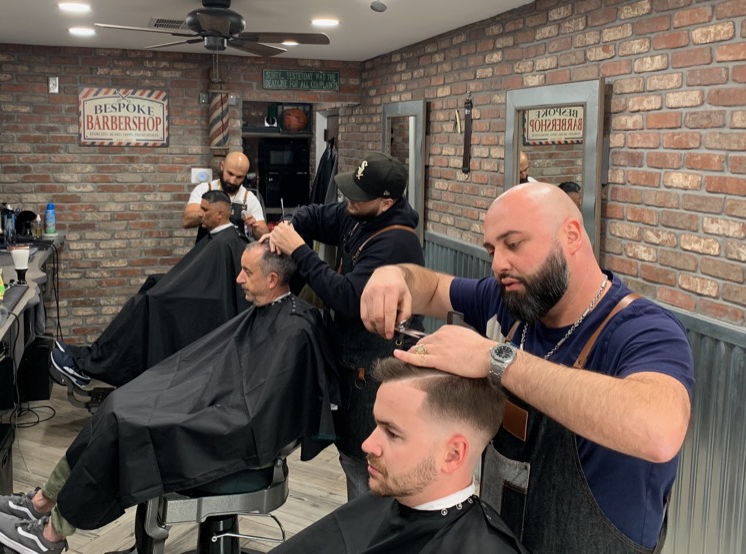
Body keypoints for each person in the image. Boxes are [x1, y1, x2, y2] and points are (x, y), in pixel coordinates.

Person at [359, 181, 694, 552]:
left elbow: (659, 431)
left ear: (571, 235)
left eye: (514, 244)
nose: (498, 264)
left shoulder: (644, 330)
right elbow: (434, 288)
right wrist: (395, 276)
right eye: (492, 250)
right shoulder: (514, 300)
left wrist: (495, 359)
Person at [0, 241, 338, 554]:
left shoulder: (295, 330)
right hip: (217, 411)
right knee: (118, 405)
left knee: (127, 427)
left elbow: (257, 412)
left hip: (235, 439)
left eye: (247, 272)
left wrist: (188, 412)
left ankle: (51, 535)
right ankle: (42, 502)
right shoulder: (269, 313)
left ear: (272, 280)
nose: (238, 279)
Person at [263, 151, 425, 501]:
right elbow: (315, 215)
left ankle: (367, 527)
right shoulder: (357, 215)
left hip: (376, 369)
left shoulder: (396, 243)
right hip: (350, 361)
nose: (349, 199)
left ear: (385, 203)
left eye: (359, 195)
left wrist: (300, 251)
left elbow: (348, 298)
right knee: (350, 455)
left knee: (368, 461)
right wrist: (289, 228)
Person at [271, 358, 528, 554]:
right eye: (376, 425)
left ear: (452, 455)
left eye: (392, 433)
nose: (367, 444)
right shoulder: (386, 500)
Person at [50, 190, 251, 389]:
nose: (200, 214)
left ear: (220, 214)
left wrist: (166, 293)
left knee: (144, 305)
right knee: (146, 293)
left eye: (205, 210)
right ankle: (89, 356)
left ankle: (87, 365)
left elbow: (214, 291)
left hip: (196, 310)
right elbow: (197, 277)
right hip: (192, 298)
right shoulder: (219, 238)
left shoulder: (224, 243)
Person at [183, 151, 268, 242]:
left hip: (236, 250)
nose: (232, 181)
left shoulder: (249, 198)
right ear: (222, 166)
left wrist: (255, 227)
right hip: (207, 249)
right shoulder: (204, 189)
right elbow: (186, 221)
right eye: (230, 174)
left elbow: (264, 237)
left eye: (239, 177)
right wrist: (206, 213)